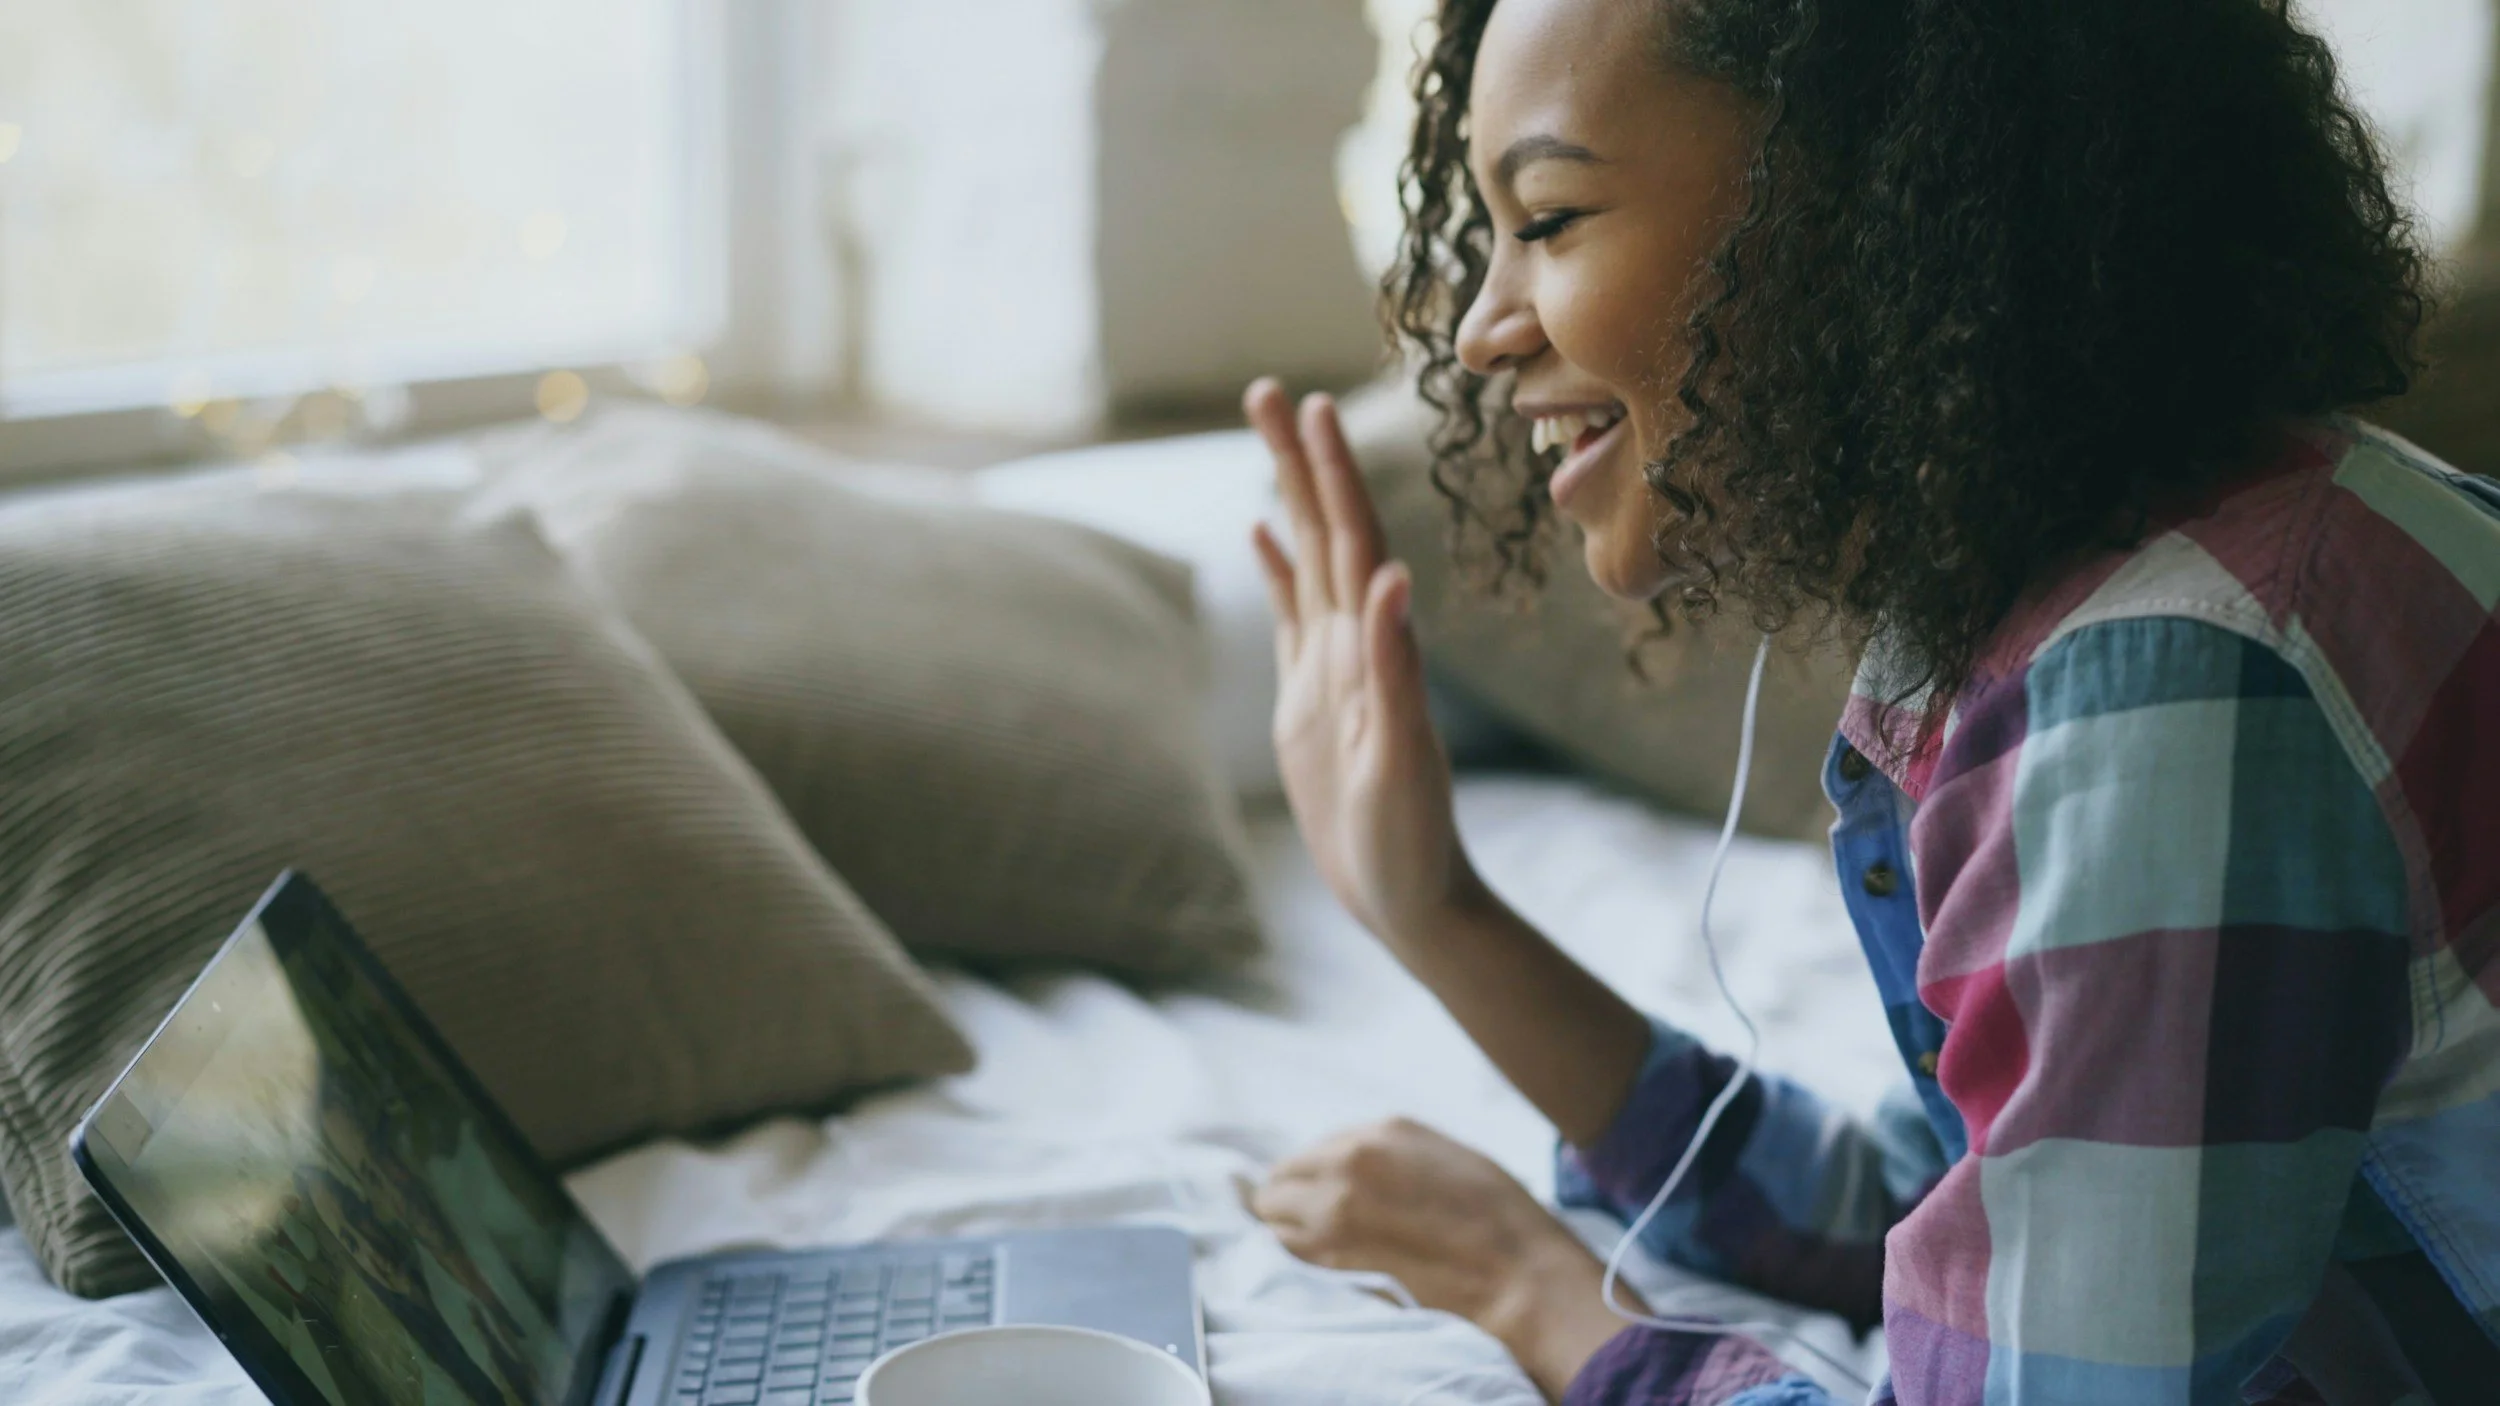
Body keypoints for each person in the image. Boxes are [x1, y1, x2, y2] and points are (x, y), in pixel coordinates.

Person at [1239, 1, 2500, 1402]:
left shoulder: (2171, 689)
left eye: (1548, 218)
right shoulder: (2136, 570)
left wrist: (1544, 1303)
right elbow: (1941, 1195)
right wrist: (1433, 909)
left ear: (1848, 190)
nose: (1480, 331)